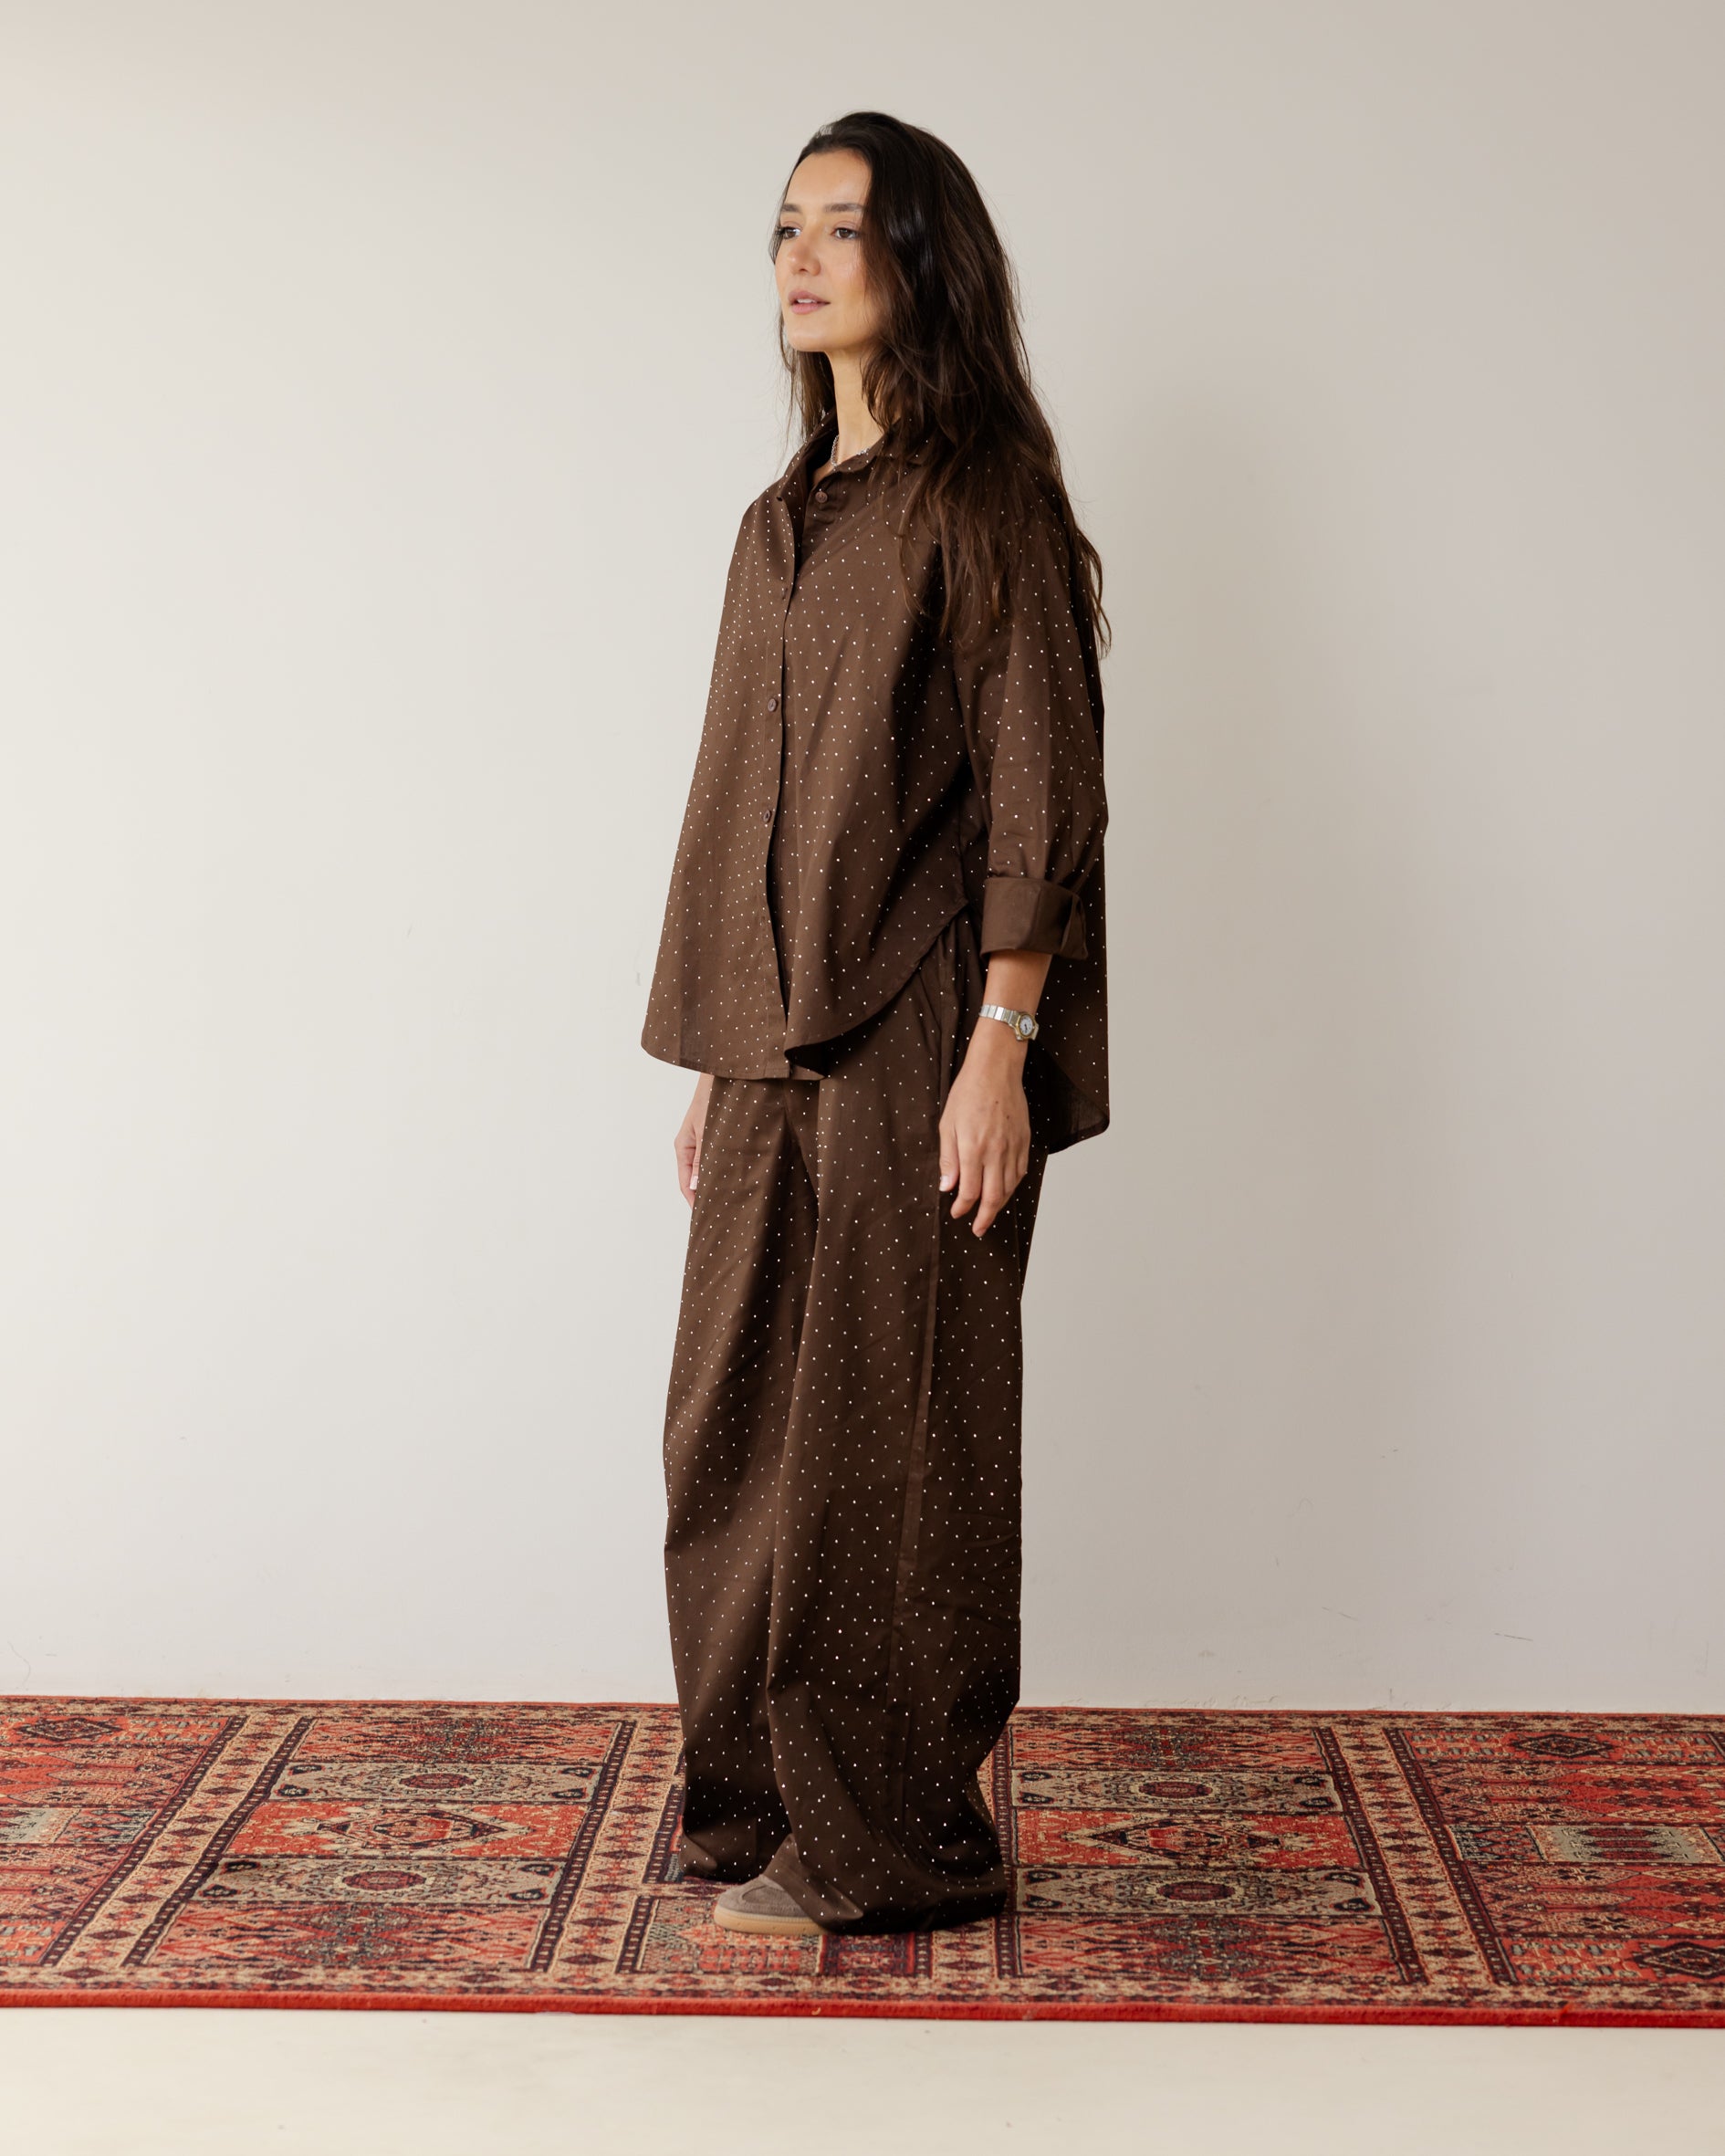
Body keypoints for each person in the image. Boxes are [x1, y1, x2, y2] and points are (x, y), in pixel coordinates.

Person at [639, 110, 1110, 1939]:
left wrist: (1002, 1044)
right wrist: (718, 1042)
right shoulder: (774, 525)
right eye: (785, 227)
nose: (802, 257)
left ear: (922, 259)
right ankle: (757, 1802)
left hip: (923, 1021)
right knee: (728, 1428)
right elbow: (739, 804)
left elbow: (1042, 789)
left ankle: (895, 1839)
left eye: (843, 226)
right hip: (769, 1035)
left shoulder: (983, 501)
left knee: (888, 1437)